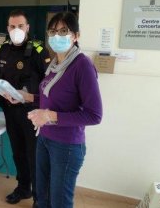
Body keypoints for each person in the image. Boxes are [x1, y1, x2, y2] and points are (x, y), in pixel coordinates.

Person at [7, 12, 103, 208]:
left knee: (59, 202)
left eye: (63, 31)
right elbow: (48, 99)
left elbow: (94, 115)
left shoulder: (82, 65)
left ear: (76, 35)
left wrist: (49, 116)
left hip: (66, 146)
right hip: (44, 139)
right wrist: (26, 97)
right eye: (53, 31)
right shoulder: (54, 64)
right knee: (42, 197)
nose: (57, 36)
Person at [0, 9, 51, 207]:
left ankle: (39, 198)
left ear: (27, 28)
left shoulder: (39, 51)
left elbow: (48, 82)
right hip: (10, 110)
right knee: (18, 152)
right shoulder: (3, 48)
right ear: (7, 28)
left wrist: (33, 99)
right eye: (12, 26)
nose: (16, 30)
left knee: (34, 155)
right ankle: (23, 188)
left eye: (20, 26)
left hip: (31, 112)